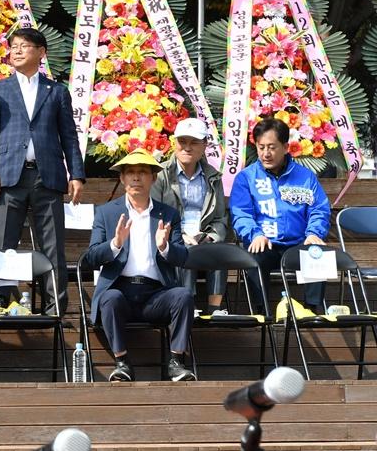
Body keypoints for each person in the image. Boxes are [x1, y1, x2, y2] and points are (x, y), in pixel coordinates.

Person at [0, 27, 85, 316]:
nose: (16, 51)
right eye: (13, 46)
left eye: (24, 46)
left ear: (41, 52)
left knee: (53, 246)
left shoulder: (57, 92)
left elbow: (69, 136)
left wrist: (76, 173)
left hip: (47, 176)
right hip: (9, 176)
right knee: (2, 242)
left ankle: (55, 307)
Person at [87, 150, 195, 383]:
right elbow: (92, 257)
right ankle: (122, 362)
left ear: (153, 178)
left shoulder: (167, 214)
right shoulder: (106, 213)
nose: (137, 178)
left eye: (143, 172)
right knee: (110, 298)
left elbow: (182, 257)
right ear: (122, 179)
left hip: (155, 293)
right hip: (121, 291)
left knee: (183, 295)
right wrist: (115, 243)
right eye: (131, 173)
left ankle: (176, 362)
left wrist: (165, 246)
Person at [229, 117, 331, 312]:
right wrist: (255, 234)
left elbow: (319, 209)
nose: (266, 153)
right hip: (265, 243)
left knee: (317, 253)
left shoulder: (305, 176)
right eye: (261, 147)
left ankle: (313, 311)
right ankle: (262, 312)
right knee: (254, 257)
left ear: (285, 147)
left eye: (272, 147)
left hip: (298, 243)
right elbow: (241, 213)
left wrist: (313, 233)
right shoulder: (246, 178)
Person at [151, 118, 228, 313]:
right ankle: (187, 306)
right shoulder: (161, 175)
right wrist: (179, 234)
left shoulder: (213, 177)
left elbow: (220, 218)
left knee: (218, 249)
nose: (187, 147)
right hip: (173, 236)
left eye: (194, 142)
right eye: (182, 141)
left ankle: (215, 309)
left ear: (204, 145)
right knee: (183, 249)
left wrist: (211, 236)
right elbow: (154, 213)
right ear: (173, 143)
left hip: (203, 236)